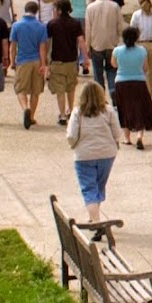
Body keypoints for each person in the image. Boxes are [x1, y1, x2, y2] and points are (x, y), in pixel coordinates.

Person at [65, 80, 122, 221]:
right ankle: (94, 215)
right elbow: (117, 132)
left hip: (84, 155)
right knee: (98, 186)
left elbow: (71, 135)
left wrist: (74, 144)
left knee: (89, 189)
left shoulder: (78, 112)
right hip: (107, 154)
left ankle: (96, 222)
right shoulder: (108, 111)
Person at [110, 25, 152, 149]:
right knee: (139, 109)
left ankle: (127, 138)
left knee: (124, 109)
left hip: (121, 82)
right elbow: (146, 68)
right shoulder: (142, 50)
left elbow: (114, 64)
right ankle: (139, 136)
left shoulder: (117, 50)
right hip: (139, 82)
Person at [9, 0, 49, 130]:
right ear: (36, 11)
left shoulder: (17, 25)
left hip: (23, 60)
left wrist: (12, 61)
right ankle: (31, 116)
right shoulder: (41, 26)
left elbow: (13, 46)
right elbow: (43, 47)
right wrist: (43, 64)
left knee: (20, 89)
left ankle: (25, 108)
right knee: (36, 91)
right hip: (36, 60)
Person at [45, 0, 84, 126]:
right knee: (71, 87)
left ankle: (62, 115)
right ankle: (71, 110)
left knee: (60, 89)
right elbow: (81, 41)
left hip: (57, 61)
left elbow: (47, 43)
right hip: (72, 60)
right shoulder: (75, 23)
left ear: (59, 10)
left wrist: (45, 58)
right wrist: (85, 57)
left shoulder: (52, 24)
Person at [83, 0, 122, 92]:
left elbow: (88, 28)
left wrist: (87, 46)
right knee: (112, 70)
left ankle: (100, 94)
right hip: (111, 43)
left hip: (96, 43)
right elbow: (120, 25)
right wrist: (117, 39)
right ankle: (112, 90)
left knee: (97, 72)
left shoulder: (90, 8)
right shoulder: (114, 6)